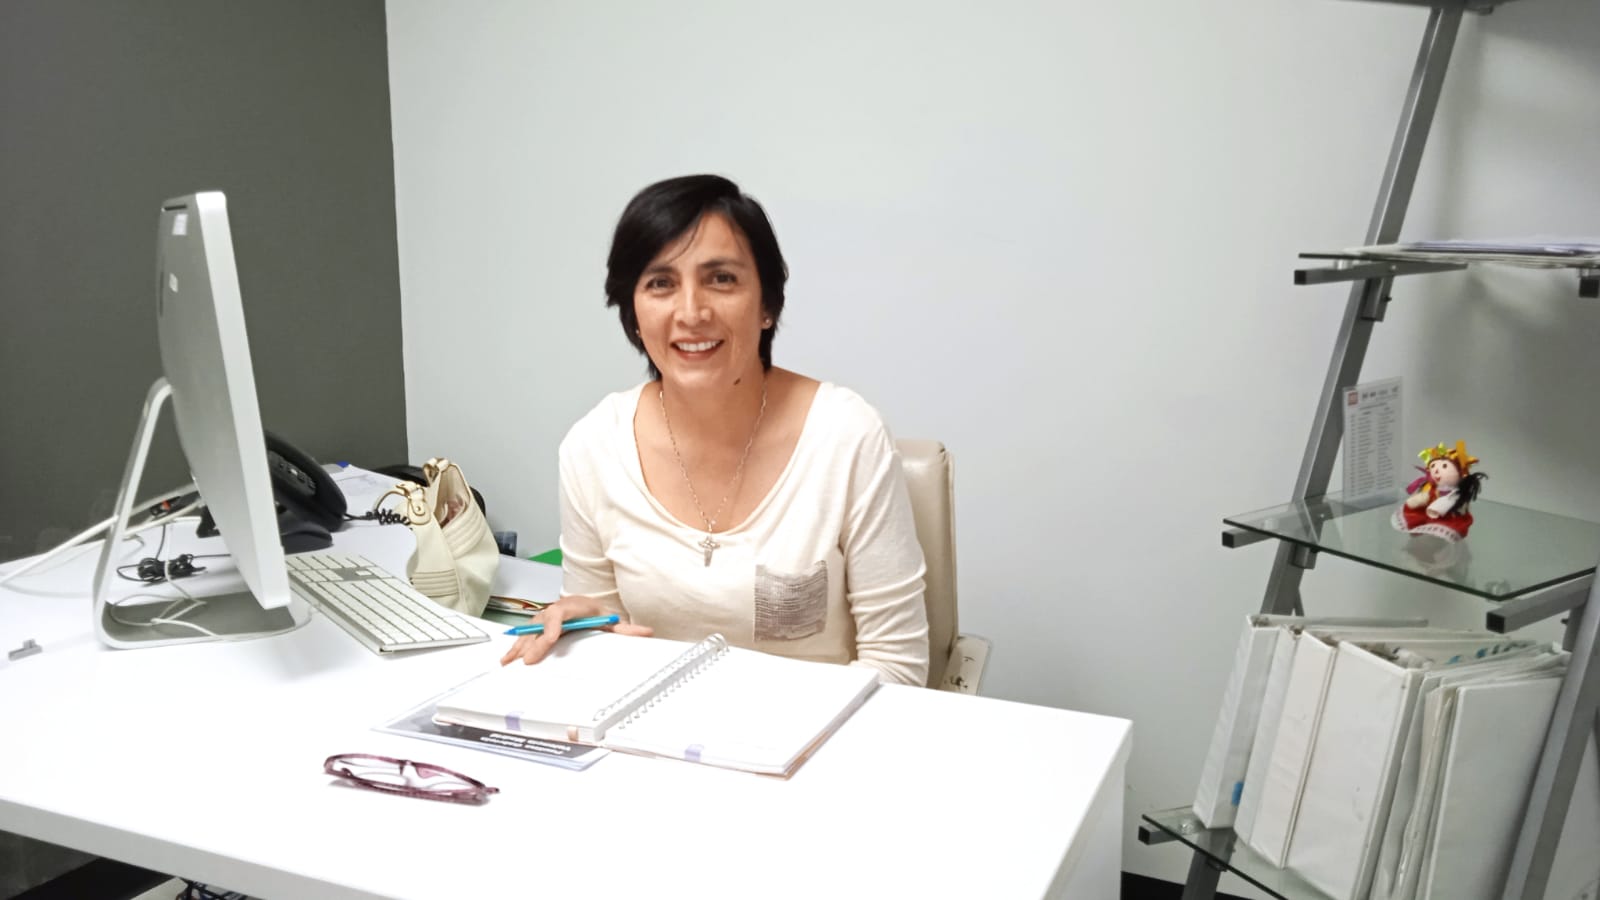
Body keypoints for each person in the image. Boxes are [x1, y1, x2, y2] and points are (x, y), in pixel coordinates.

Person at [500, 174, 930, 686]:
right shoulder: (592, 448)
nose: (691, 313)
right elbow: (612, 633)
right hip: (661, 738)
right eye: (660, 283)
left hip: (819, 743)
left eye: (721, 278)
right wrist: (587, 629)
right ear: (634, 315)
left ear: (767, 305)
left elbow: (898, 668)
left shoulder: (846, 436)